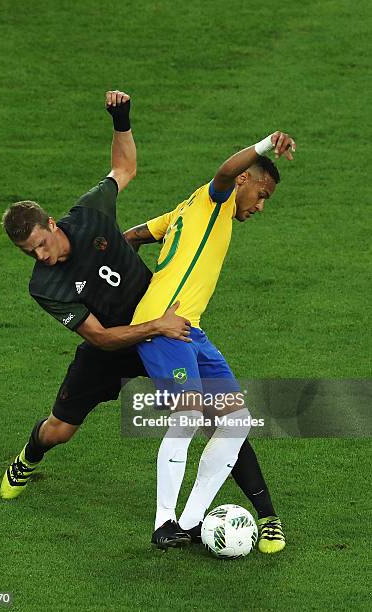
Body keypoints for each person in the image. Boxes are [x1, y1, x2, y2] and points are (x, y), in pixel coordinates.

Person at [0, 90, 191, 500]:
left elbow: (124, 167)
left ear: (52, 224)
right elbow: (102, 337)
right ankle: (28, 457)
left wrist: (121, 121)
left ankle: (263, 515)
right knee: (60, 430)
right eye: (28, 252)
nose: (39, 256)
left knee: (208, 407)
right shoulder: (44, 286)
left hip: (158, 327)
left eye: (40, 243)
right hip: (111, 349)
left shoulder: (90, 213)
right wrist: (156, 325)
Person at [125, 129, 296, 551]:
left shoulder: (184, 211)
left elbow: (132, 237)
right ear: (245, 180)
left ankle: (190, 520)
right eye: (262, 194)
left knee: (235, 422)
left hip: (192, 330)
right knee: (187, 416)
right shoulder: (213, 198)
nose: (259, 205)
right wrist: (262, 147)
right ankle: (164, 521)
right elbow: (223, 172)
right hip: (165, 326)